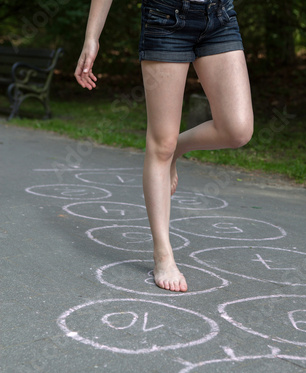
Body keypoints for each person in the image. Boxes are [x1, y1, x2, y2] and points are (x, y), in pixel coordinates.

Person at [75, 0, 253, 293]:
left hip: (220, 16)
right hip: (166, 18)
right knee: (160, 143)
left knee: (237, 130)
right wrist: (91, 37)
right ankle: (163, 253)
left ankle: (176, 148)